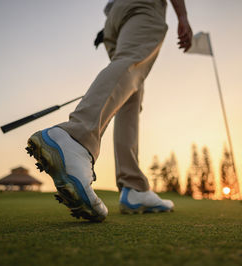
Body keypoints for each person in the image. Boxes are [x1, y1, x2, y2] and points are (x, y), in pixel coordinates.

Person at [26, 0, 192, 222]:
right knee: (131, 63)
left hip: (115, 18)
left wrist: (109, 28)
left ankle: (134, 188)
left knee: (130, 92)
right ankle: (77, 137)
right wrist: (183, 17)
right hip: (143, 6)